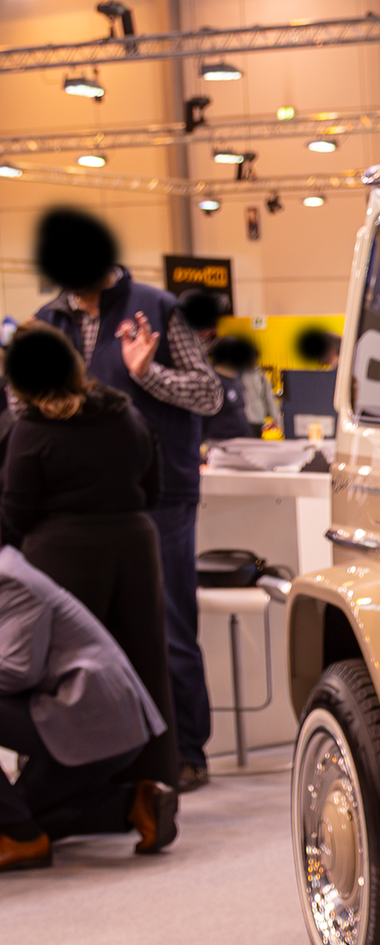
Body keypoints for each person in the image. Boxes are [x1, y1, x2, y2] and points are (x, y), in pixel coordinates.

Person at [28, 210, 222, 792]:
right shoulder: (48, 322)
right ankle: (116, 761)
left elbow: (208, 392)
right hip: (77, 502)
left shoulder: (158, 308)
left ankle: (188, 751)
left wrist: (147, 374)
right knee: (90, 632)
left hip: (159, 494)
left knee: (168, 624)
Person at [0, 324, 178, 787]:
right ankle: (152, 789)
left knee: (66, 682)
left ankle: (71, 800)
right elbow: (154, 487)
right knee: (144, 671)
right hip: (136, 548)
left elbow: (14, 513)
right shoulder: (127, 415)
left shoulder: (32, 432)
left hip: (62, 555)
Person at [0, 542, 178, 871]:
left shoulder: (10, 578)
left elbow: (18, 670)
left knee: (16, 821)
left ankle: (22, 839)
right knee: (28, 813)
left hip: (91, 719)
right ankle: (135, 805)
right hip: (96, 721)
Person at [204, 336, 279, 443]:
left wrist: (276, 419)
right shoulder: (219, 381)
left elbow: (268, 398)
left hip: (254, 423)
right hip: (224, 441)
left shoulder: (258, 376)